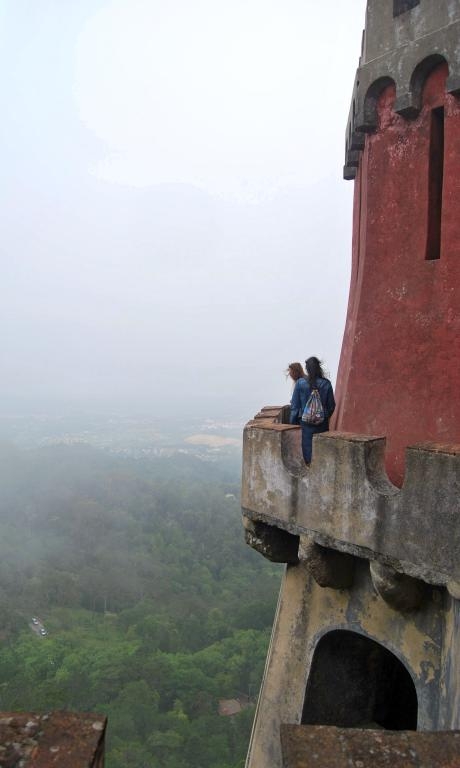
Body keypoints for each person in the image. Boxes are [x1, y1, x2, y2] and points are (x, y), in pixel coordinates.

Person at [301, 357, 336, 464]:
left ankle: (309, 466)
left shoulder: (300, 383)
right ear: (319, 367)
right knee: (322, 448)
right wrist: (323, 416)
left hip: (306, 423)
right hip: (322, 423)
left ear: (307, 369)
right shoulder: (326, 384)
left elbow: (295, 407)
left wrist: (295, 422)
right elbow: (331, 406)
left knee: (308, 448)